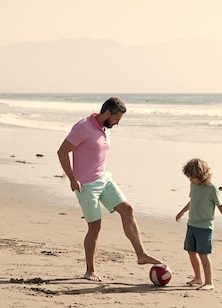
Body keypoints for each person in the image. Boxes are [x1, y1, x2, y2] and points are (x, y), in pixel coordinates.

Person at [57, 97, 162, 282]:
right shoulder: (83, 127)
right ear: (107, 113)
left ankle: (141, 254)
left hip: (104, 179)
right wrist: (72, 179)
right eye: (117, 119)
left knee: (128, 210)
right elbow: (62, 151)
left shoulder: (105, 127)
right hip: (86, 185)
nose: (118, 123)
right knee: (95, 227)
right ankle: (90, 270)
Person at [175, 158, 222, 291]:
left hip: (204, 228)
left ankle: (209, 282)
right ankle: (198, 277)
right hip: (191, 225)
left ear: (200, 175)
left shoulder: (212, 189)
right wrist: (182, 212)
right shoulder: (193, 185)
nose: (190, 180)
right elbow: (192, 201)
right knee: (191, 251)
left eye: (191, 177)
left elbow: (220, 205)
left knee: (203, 254)